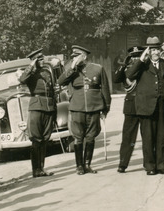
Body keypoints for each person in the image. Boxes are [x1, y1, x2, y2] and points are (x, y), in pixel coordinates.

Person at [126, 37, 164, 175]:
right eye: (152, 49)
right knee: (148, 137)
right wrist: (142, 58)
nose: (155, 52)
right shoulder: (142, 64)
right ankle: (149, 166)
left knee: (161, 137)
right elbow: (129, 75)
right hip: (146, 106)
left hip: (163, 106)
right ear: (148, 51)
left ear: (161, 50)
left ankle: (160, 165)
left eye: (157, 49)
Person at [59, 45, 111, 175]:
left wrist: (105, 108)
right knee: (78, 137)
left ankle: (87, 164)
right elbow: (61, 82)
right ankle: (79, 166)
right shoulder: (70, 70)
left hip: (94, 107)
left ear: (85, 56)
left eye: (77, 56)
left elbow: (105, 89)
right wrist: (71, 68)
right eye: (73, 57)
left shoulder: (97, 68)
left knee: (90, 137)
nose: (75, 59)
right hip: (77, 108)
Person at [17, 49, 59, 178]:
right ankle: (36, 169)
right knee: (36, 139)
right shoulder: (30, 73)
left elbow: (52, 88)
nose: (42, 61)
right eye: (38, 59)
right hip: (36, 106)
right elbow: (22, 79)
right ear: (34, 61)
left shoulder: (47, 71)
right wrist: (31, 66)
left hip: (49, 106)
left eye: (42, 59)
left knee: (45, 138)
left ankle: (41, 168)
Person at [113, 45, 143, 173]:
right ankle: (123, 163)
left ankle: (149, 163)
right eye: (133, 57)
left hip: (145, 104)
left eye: (138, 56)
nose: (135, 59)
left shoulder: (145, 67)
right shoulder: (126, 69)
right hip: (131, 105)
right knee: (128, 138)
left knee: (148, 136)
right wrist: (123, 65)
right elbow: (115, 79)